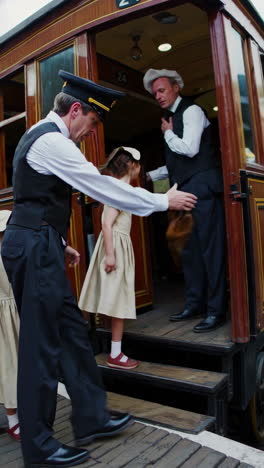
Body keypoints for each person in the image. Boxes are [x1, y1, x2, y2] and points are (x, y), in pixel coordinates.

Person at [1, 70, 197, 468]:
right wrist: (163, 202)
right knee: (40, 346)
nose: (90, 134)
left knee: (72, 333)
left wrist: (60, 242)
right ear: (76, 111)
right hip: (33, 248)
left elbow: (33, 202)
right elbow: (98, 185)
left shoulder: (42, 136)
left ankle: (91, 416)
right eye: (91, 123)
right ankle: (39, 446)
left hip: (41, 244)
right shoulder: (53, 141)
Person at [143, 68, 227, 333]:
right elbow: (175, 164)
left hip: (202, 189)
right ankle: (195, 304)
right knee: (190, 254)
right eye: (154, 92)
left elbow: (190, 149)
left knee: (210, 253)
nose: (157, 95)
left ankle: (216, 311)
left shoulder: (191, 111)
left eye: (162, 90)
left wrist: (168, 133)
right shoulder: (171, 120)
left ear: (176, 87)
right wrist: (148, 175)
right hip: (185, 192)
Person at [79, 147, 141, 370]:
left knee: (116, 298)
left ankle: (115, 351)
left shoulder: (119, 188)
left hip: (118, 244)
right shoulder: (120, 189)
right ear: (131, 165)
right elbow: (107, 223)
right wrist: (111, 254)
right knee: (118, 298)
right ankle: (115, 354)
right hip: (115, 245)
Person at [0, 210, 20, 442]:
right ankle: (13, 420)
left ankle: (15, 419)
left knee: (10, 365)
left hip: (12, 314)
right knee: (9, 365)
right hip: (7, 316)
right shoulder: (9, 253)